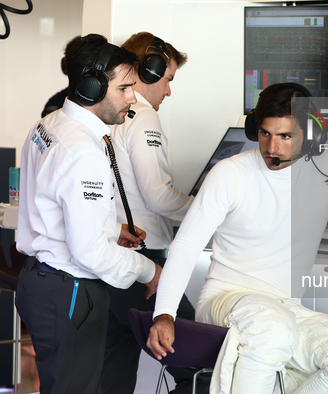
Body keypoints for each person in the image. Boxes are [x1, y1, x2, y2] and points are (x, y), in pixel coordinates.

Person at [147, 83, 328, 393]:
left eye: (286, 136)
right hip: (226, 298)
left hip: (285, 308)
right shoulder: (230, 173)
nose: (272, 147)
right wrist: (165, 313)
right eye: (264, 134)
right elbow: (187, 245)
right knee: (271, 327)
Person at [16, 34, 162, 394]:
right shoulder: (83, 151)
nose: (133, 97)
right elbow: (90, 252)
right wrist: (149, 270)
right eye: (125, 87)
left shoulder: (49, 125)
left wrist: (112, 229)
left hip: (42, 282)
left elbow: (56, 209)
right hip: (69, 290)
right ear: (92, 87)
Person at [100, 32, 196, 394]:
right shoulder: (142, 116)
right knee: (200, 365)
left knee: (114, 372)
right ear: (149, 70)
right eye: (168, 79)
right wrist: (206, 209)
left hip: (109, 259)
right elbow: (159, 197)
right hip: (145, 259)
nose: (168, 92)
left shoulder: (104, 113)